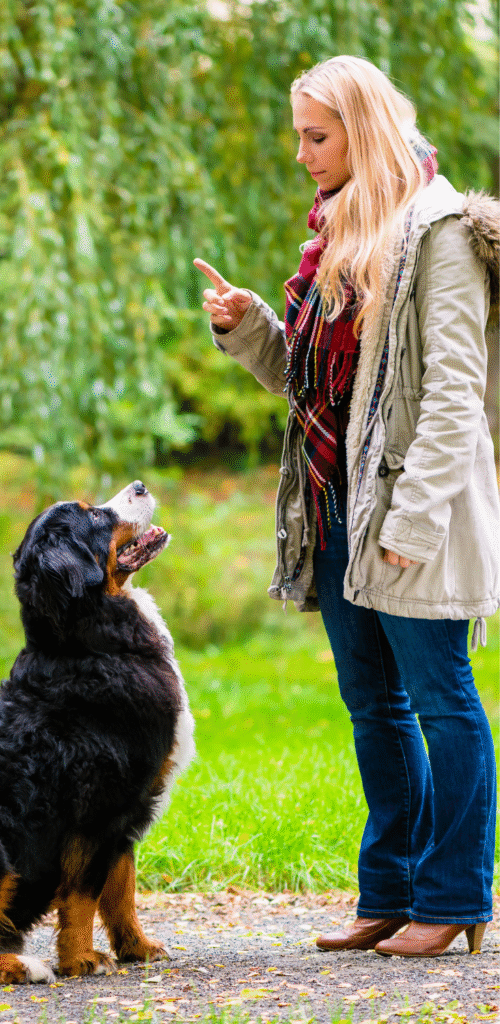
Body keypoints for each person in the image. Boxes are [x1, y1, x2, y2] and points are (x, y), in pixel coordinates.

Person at [195, 55, 499, 958]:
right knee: (374, 707)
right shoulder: (337, 232)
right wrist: (250, 328)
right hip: (333, 509)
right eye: (298, 134)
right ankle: (392, 891)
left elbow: (453, 391)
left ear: (361, 131)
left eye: (315, 136)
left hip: (411, 517)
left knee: (442, 702)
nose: (301, 154)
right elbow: (320, 388)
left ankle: (455, 899)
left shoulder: (438, 233)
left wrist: (408, 520)